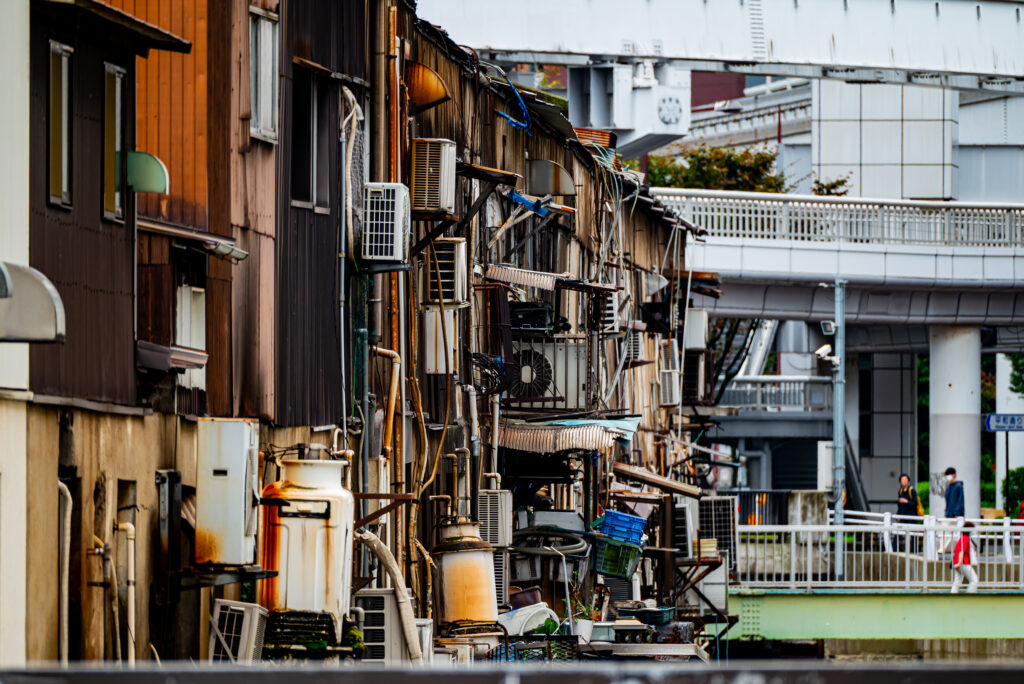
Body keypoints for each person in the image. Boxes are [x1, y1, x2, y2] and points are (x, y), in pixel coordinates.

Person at [951, 521, 979, 594]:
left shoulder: (962, 538)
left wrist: (958, 562)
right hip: (963, 563)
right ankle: (970, 595)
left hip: (957, 562)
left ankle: (953, 594)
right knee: (974, 580)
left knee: (957, 581)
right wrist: (960, 562)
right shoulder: (965, 538)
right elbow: (961, 551)